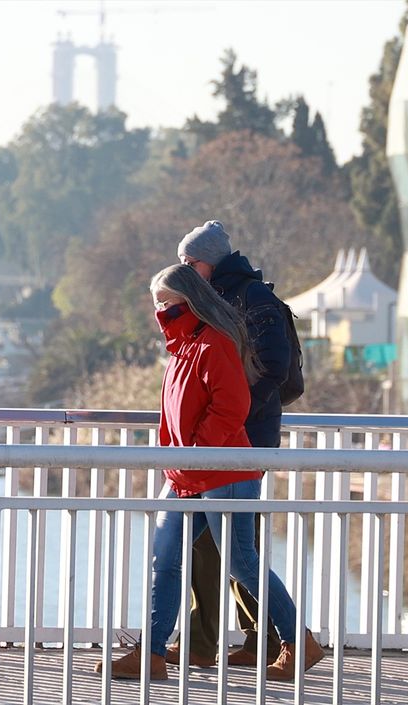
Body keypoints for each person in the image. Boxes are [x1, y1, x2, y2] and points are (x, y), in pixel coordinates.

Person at [96, 264, 308, 681]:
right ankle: (152, 654)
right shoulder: (184, 346)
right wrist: (181, 458)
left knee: (240, 562)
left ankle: (298, 642)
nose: (159, 310)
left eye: (165, 302)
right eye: (157, 302)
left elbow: (232, 407)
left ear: (188, 301)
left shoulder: (213, 343)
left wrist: (195, 450)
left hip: (223, 471)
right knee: (166, 559)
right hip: (187, 473)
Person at [172, 220, 323, 680]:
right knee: (228, 544)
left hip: (240, 441)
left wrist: (228, 416)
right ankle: (257, 639)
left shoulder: (251, 299)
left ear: (210, 261)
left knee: (224, 546)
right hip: (229, 440)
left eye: (190, 262)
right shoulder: (225, 296)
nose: (184, 269)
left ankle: (246, 640)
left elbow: (272, 367)